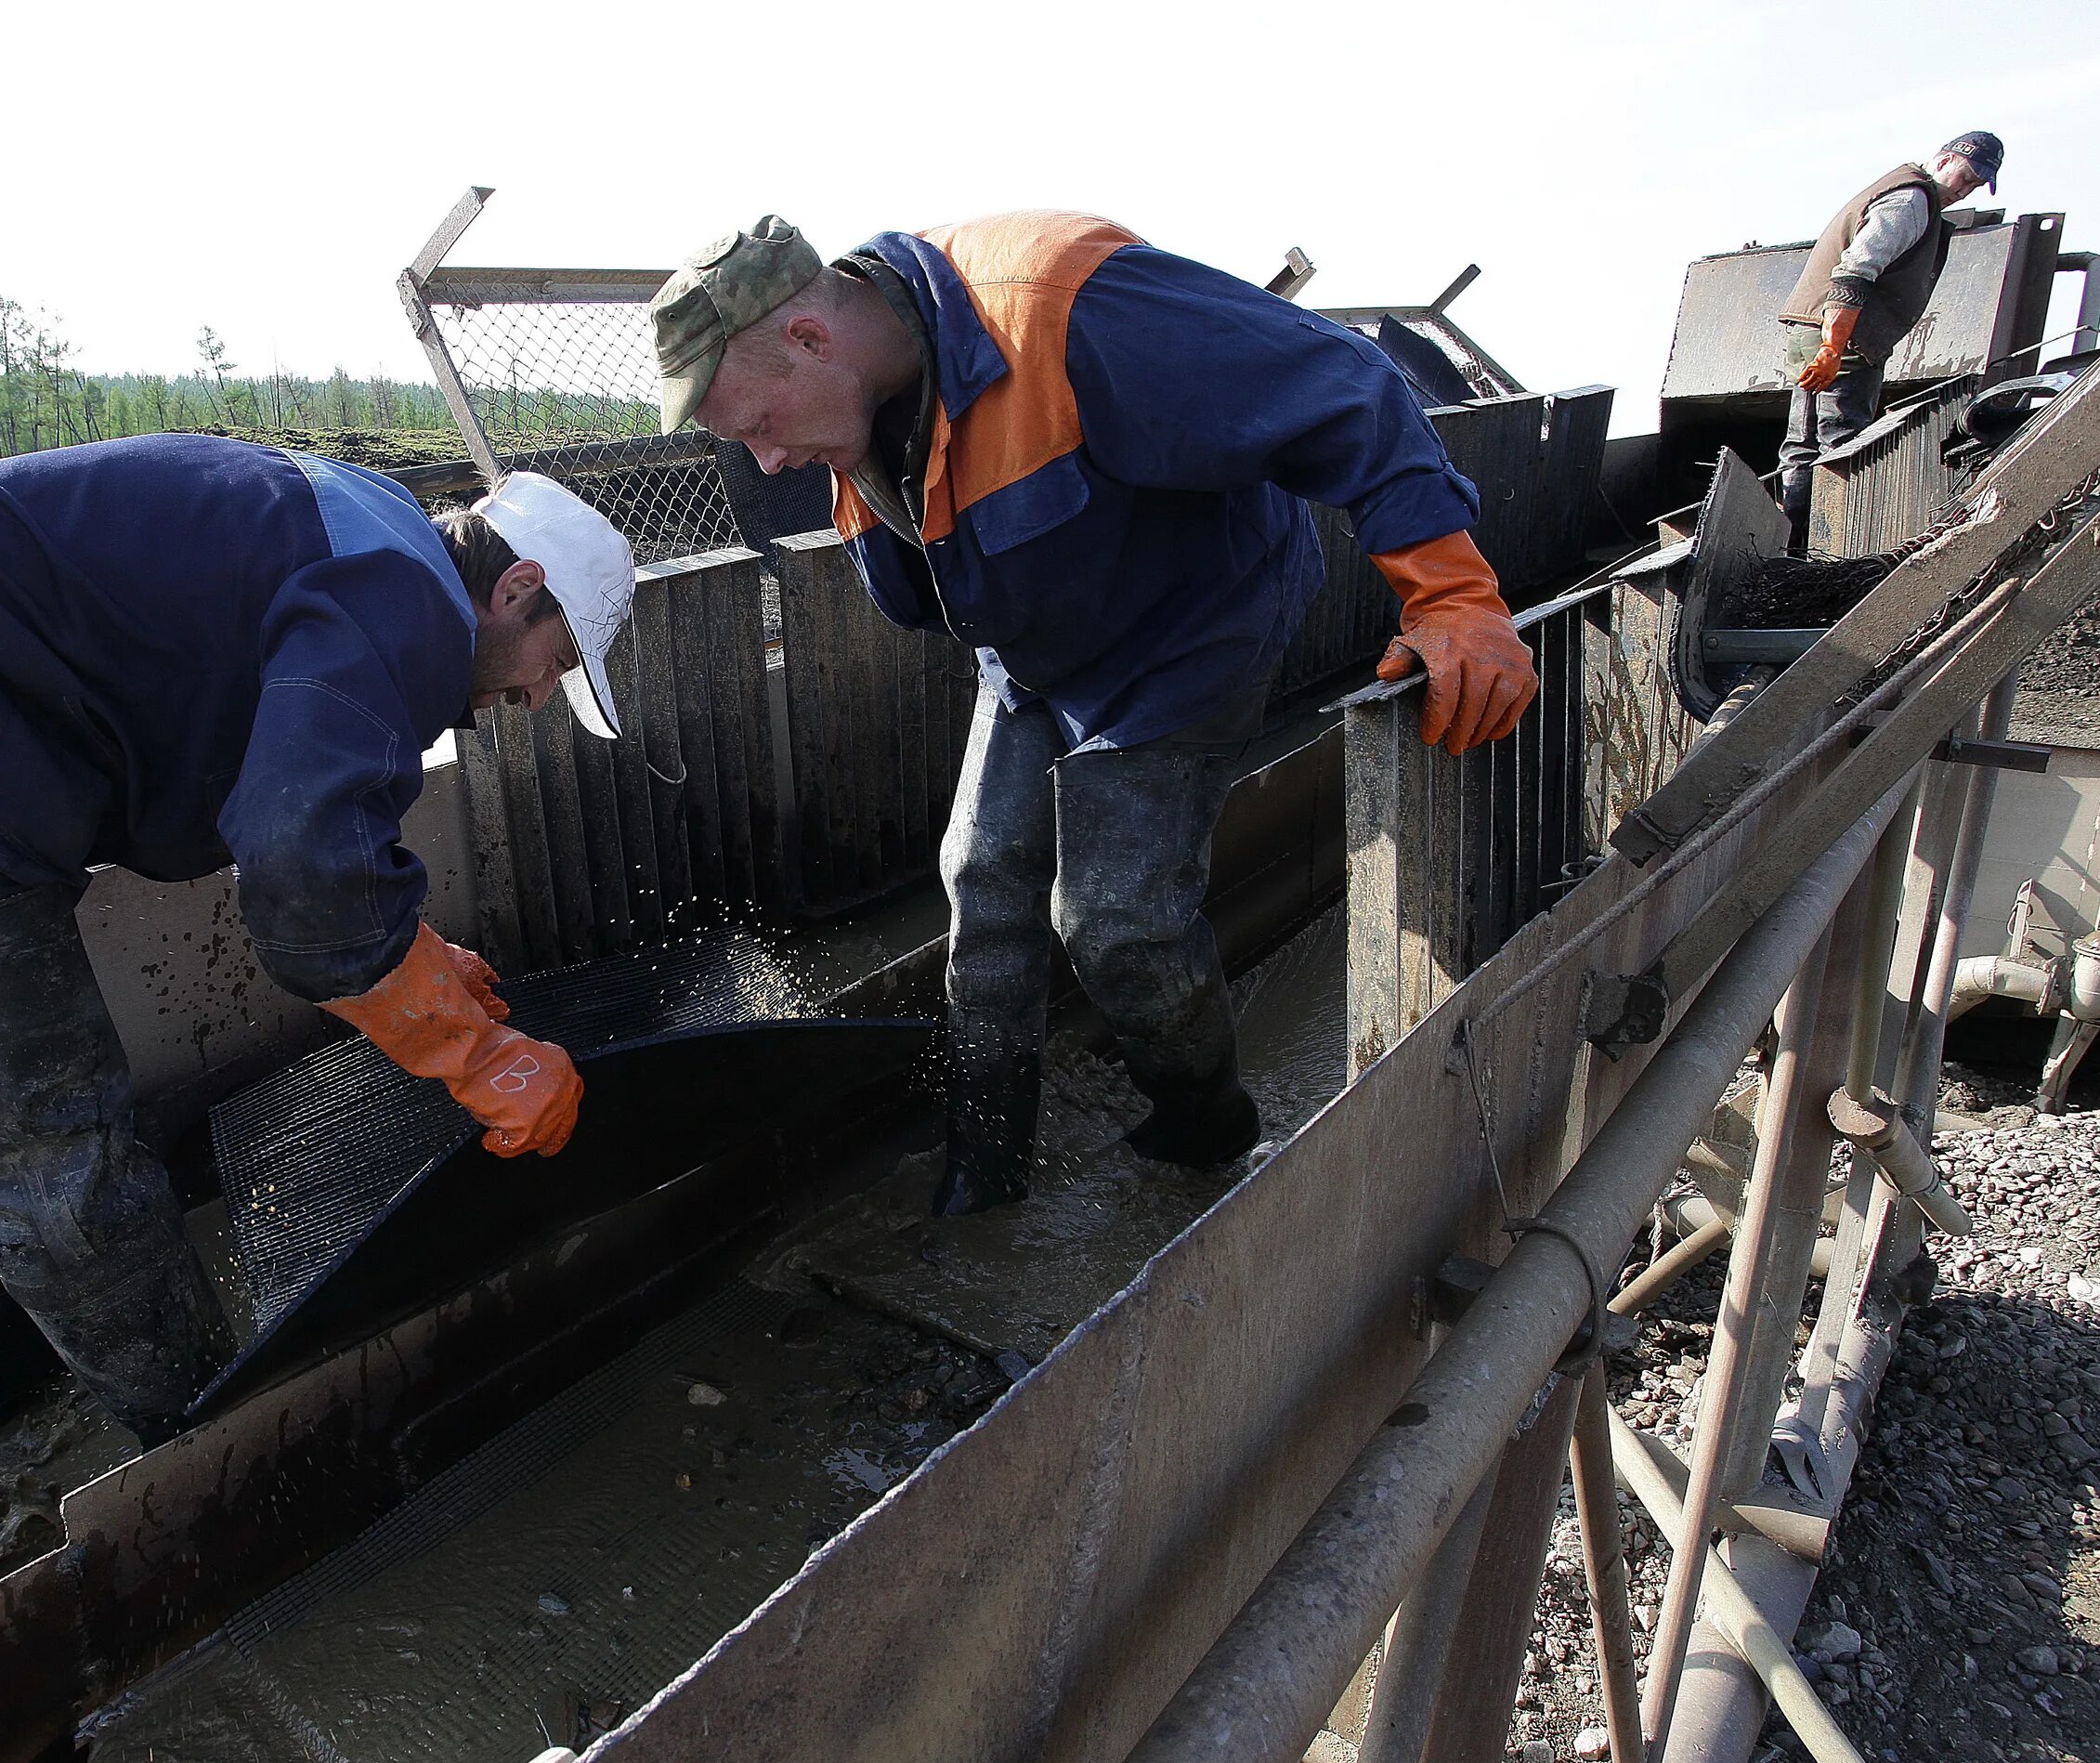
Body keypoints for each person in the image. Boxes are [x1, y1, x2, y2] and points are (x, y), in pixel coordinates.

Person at [0, 437, 633, 1443]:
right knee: (48, 1137)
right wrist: (475, 1048)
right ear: (516, 587)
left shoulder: (369, 537)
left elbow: (278, 792)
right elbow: (307, 881)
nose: (536, 701)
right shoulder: (412, 606)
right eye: (557, 663)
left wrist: (414, 951)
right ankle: (208, 1456)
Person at [652, 212, 1533, 1214]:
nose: (766, 463)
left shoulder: (1059, 305)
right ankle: (984, 1173)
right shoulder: (844, 421)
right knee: (981, 881)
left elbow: (1344, 383)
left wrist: (1451, 591)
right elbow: (937, 582)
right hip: (1040, 639)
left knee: (1115, 919)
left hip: (1188, 627)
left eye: (757, 426)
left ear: (812, 340)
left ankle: (1207, 1147)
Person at [1777, 131, 2003, 537]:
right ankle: (1824, 551)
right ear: (1943, 159)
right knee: (1842, 447)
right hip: (1840, 338)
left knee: (1803, 445)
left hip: (1818, 329)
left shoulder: (1909, 195)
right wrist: (1833, 346)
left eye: (1976, 185)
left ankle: (1791, 547)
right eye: (1965, 176)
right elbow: (1854, 272)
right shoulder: (1912, 201)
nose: (1966, 191)